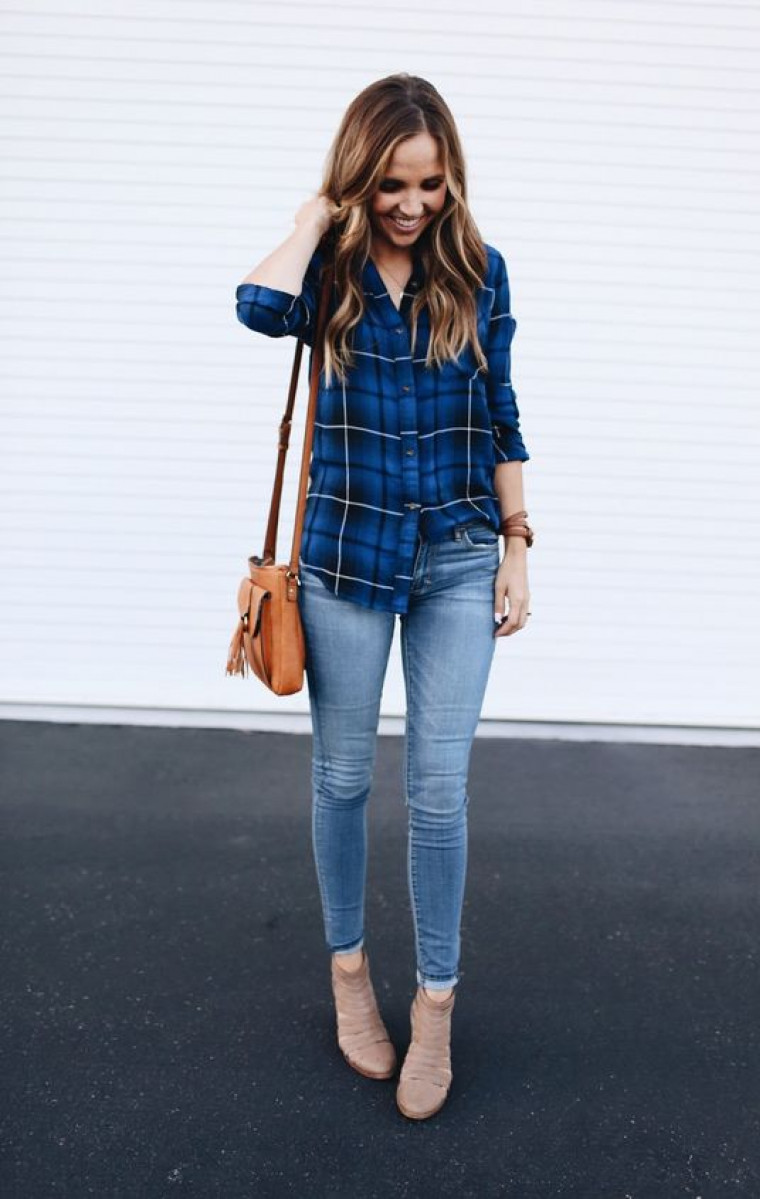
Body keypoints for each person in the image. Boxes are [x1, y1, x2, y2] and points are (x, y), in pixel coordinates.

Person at [235, 73, 533, 1121]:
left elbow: (500, 410)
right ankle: (351, 978)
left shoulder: (480, 271)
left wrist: (516, 543)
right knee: (345, 775)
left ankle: (436, 1007)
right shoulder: (330, 269)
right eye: (393, 185)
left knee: (439, 792)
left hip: (455, 554)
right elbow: (255, 308)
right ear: (364, 178)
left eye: (430, 184)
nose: (413, 205)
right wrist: (316, 216)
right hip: (343, 562)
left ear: (451, 178)